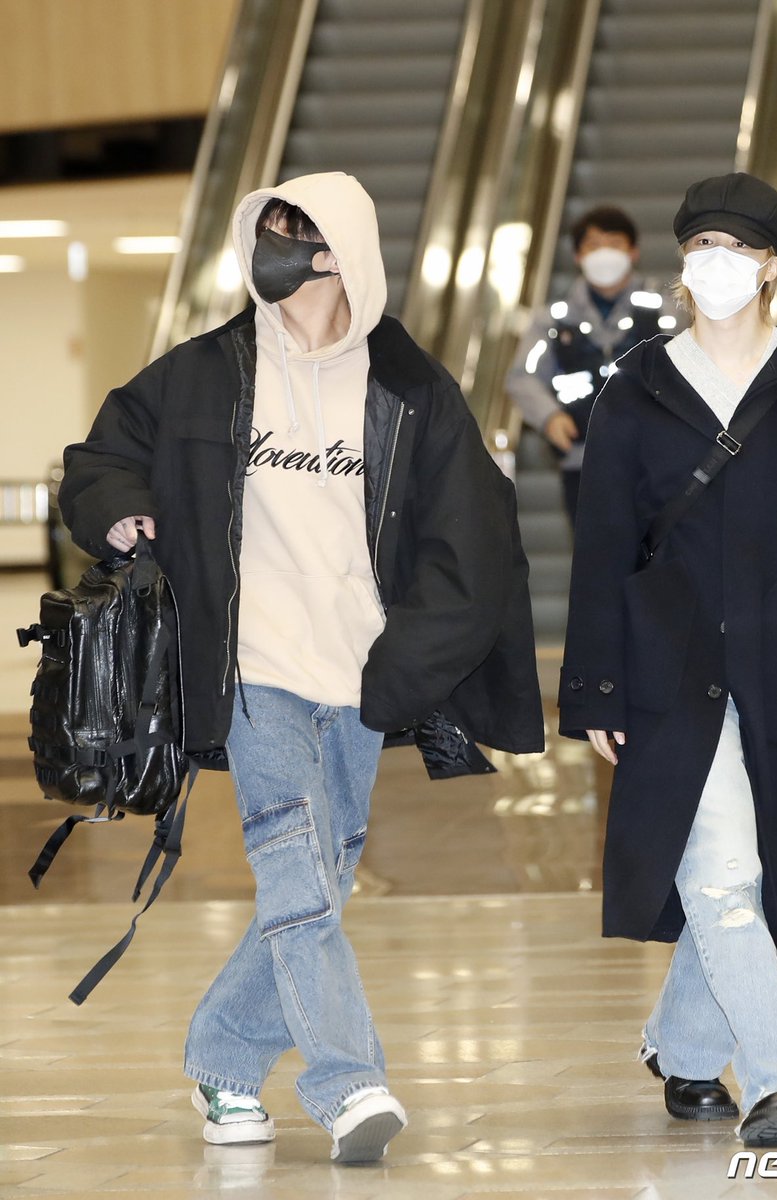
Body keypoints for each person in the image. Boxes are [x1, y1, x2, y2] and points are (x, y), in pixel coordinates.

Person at [58, 172, 544, 1164]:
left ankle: (224, 1059)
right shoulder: (201, 373)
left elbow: (474, 546)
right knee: (293, 874)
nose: (270, 246)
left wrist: (406, 667)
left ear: (340, 250)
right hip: (250, 668)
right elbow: (104, 452)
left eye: (292, 231)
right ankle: (348, 1079)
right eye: (265, 230)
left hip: (361, 677)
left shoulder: (412, 392)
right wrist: (118, 509)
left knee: (316, 885)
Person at [558, 172, 777, 1148]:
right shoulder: (637, 387)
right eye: (699, 244)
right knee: (719, 876)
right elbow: (604, 545)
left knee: (766, 877)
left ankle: (679, 1044)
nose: (714, 263)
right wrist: (595, 686)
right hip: (669, 670)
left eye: (736, 248)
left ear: (771, 267)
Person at [505, 204, 680, 525]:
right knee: (597, 561)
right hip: (583, 461)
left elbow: (694, 367)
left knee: (658, 560)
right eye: (593, 246)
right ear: (577, 256)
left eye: (614, 244)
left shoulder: (666, 311)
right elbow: (523, 378)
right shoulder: (554, 319)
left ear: (633, 251)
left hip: (656, 459)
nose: (604, 254)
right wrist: (549, 417)